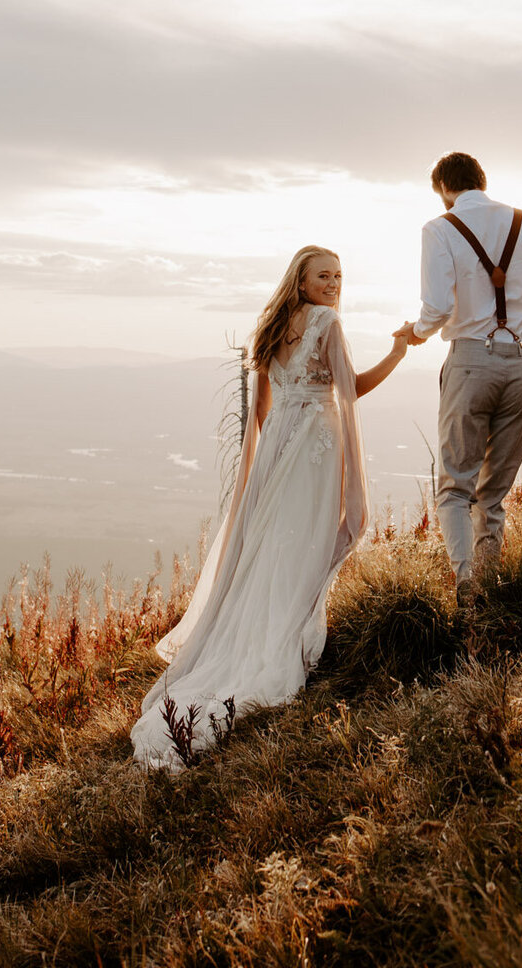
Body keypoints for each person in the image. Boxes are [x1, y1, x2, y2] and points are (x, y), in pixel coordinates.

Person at [132, 246, 405, 770]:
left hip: (282, 441)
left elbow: (259, 413)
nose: (334, 283)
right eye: (323, 275)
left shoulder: (269, 327)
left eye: (339, 275)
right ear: (301, 282)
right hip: (312, 448)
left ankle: (257, 627)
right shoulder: (326, 322)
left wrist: (276, 448)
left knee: (273, 544)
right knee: (304, 541)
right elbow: (352, 390)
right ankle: (282, 632)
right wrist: (397, 353)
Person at [397, 152, 522, 601]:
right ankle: (490, 593)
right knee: (492, 493)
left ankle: (466, 584)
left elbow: (435, 309)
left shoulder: (439, 228)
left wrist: (414, 334)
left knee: (456, 487)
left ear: (443, 190)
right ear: (482, 181)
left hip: (471, 362)